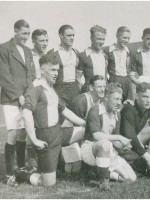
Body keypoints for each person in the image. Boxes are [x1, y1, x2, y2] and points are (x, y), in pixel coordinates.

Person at [21, 53, 86, 187]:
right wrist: (34, 140)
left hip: (58, 132)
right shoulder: (36, 89)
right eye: (52, 70)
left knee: (87, 130)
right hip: (45, 137)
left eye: (57, 70)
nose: (56, 73)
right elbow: (26, 113)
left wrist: (86, 123)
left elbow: (65, 111)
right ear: (42, 70)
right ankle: (23, 173)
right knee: (48, 183)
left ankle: (90, 167)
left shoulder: (52, 88)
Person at [81, 82, 136, 191]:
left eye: (120, 99)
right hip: (90, 149)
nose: (119, 103)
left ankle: (99, 172)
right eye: (116, 99)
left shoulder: (117, 114)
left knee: (131, 178)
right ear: (106, 98)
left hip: (108, 150)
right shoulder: (96, 110)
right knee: (104, 144)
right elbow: (96, 136)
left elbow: (114, 137)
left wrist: (122, 146)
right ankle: (103, 182)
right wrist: (119, 138)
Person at [0, 19, 34, 186]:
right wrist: (18, 96)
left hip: (25, 98)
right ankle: (8, 174)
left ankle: (20, 168)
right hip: (11, 99)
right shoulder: (4, 48)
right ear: (15, 31)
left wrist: (27, 95)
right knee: (13, 133)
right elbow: (4, 76)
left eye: (28, 34)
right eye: (23, 34)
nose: (26, 37)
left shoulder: (28, 51)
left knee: (22, 133)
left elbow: (31, 76)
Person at [120, 82, 150, 176]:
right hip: (124, 144)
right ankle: (148, 162)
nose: (149, 100)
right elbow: (130, 136)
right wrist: (147, 158)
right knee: (132, 158)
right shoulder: (128, 109)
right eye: (145, 97)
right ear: (136, 95)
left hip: (136, 140)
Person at [27, 29, 49, 171]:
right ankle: (32, 163)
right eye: (42, 40)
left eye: (46, 40)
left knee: (44, 124)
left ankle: (46, 159)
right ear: (34, 41)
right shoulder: (29, 55)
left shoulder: (49, 55)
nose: (45, 43)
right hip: (32, 92)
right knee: (31, 126)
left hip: (46, 93)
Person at [48, 25, 81, 111]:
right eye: (69, 35)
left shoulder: (76, 52)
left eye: (73, 35)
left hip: (74, 90)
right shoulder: (53, 53)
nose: (72, 38)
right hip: (60, 90)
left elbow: (79, 73)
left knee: (75, 116)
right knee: (60, 117)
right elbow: (48, 75)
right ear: (61, 36)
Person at [105, 26, 133, 102]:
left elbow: (129, 68)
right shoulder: (108, 51)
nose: (126, 40)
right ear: (117, 36)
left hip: (126, 81)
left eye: (128, 38)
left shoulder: (128, 51)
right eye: (124, 38)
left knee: (128, 103)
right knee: (114, 103)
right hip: (114, 80)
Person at [77, 25, 108, 93]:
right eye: (99, 39)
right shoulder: (84, 55)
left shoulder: (105, 55)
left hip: (103, 91)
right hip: (90, 91)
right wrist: (83, 90)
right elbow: (77, 77)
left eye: (103, 39)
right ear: (91, 38)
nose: (101, 42)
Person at [130, 28, 150, 96]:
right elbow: (131, 76)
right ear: (142, 38)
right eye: (148, 39)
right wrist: (142, 84)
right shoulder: (136, 54)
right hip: (141, 86)